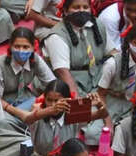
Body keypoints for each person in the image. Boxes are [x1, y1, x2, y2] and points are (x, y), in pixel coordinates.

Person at [43, 0, 108, 142]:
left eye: (85, 7)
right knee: (93, 130)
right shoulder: (57, 36)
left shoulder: (97, 25)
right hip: (74, 84)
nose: (82, 10)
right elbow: (63, 72)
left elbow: (111, 52)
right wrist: (77, 102)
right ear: (65, 11)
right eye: (76, 7)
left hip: (97, 80)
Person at [97, 23, 136, 123]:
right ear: (129, 41)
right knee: (94, 133)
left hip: (135, 105)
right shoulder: (112, 63)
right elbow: (101, 94)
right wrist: (107, 120)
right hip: (109, 103)